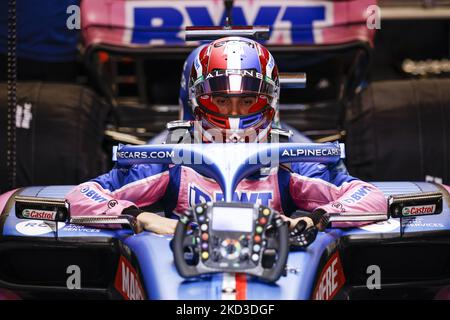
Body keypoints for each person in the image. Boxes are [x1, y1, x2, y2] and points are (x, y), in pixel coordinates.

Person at [66, 37, 387, 242]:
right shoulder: (170, 154)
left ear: (270, 101)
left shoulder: (290, 155)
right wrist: (141, 218)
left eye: (247, 100)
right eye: (221, 100)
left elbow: (371, 198)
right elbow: (81, 198)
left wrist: (314, 221)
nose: (234, 112)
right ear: (196, 100)